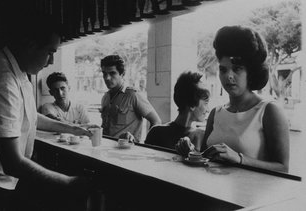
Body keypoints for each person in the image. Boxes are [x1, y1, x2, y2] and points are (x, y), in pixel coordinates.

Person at [0, 14, 95, 210]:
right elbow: (12, 163)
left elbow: (27, 114)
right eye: (49, 52)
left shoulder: (18, 71)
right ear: (30, 45)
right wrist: (68, 182)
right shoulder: (1, 82)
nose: (50, 61)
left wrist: (73, 128)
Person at [176, 25, 290, 173]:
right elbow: (206, 161)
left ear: (250, 72)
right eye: (223, 69)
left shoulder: (268, 110)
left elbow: (283, 168)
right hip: (212, 191)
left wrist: (239, 159)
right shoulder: (216, 113)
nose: (229, 76)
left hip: (251, 194)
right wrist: (190, 152)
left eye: (237, 69)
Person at [100, 55, 161, 142]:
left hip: (127, 151)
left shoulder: (133, 95)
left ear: (122, 74)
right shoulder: (105, 97)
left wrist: (148, 145)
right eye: (104, 73)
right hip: (105, 150)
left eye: (112, 73)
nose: (107, 78)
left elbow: (156, 121)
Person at [145, 71, 210, 150]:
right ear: (192, 105)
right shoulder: (156, 133)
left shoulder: (203, 137)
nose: (208, 110)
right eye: (206, 103)